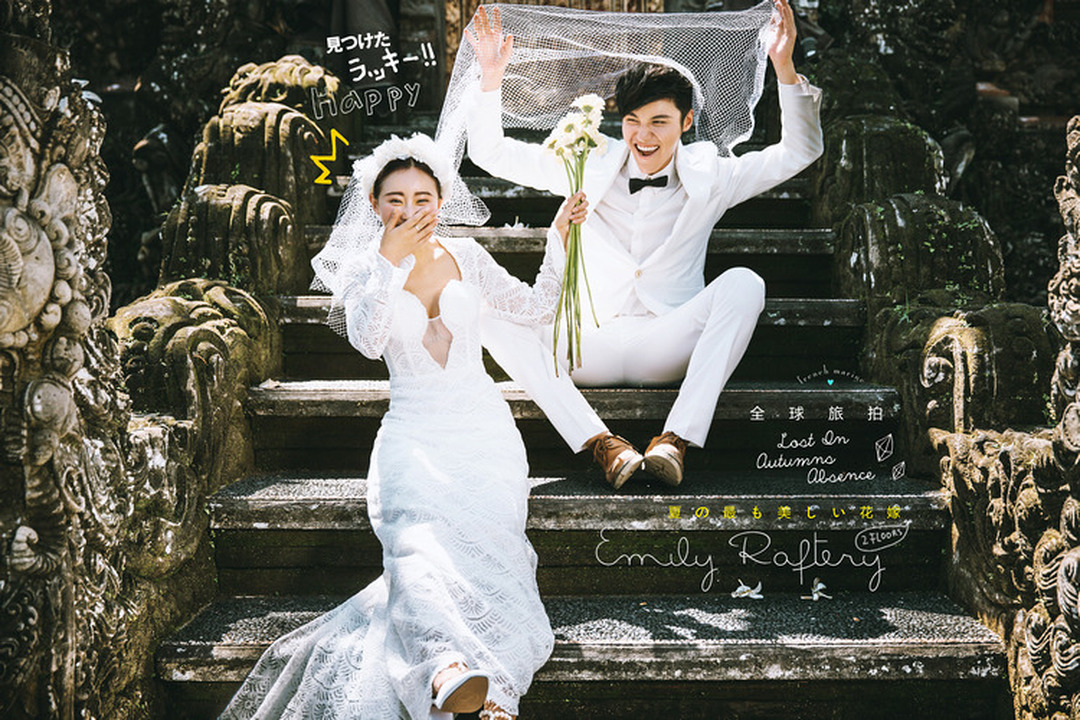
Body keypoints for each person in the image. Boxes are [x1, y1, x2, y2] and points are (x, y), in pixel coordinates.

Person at [218, 134, 580, 720]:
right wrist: (389, 263)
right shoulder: (364, 268)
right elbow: (367, 339)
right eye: (394, 199)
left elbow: (535, 307)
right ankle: (445, 667)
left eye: (421, 198)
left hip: (483, 431)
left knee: (491, 549)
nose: (409, 210)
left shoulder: (468, 257)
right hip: (412, 434)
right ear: (373, 205)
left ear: (441, 201)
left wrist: (558, 238)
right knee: (414, 546)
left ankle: (492, 688)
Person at [464, 0, 824, 489]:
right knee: (484, 313)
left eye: (659, 122)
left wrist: (784, 67)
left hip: (665, 343)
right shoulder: (584, 160)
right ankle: (601, 443)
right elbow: (490, 152)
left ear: (687, 122)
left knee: (745, 284)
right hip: (586, 343)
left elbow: (800, 151)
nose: (643, 135)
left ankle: (674, 440)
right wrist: (490, 81)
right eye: (633, 120)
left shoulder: (712, 176)